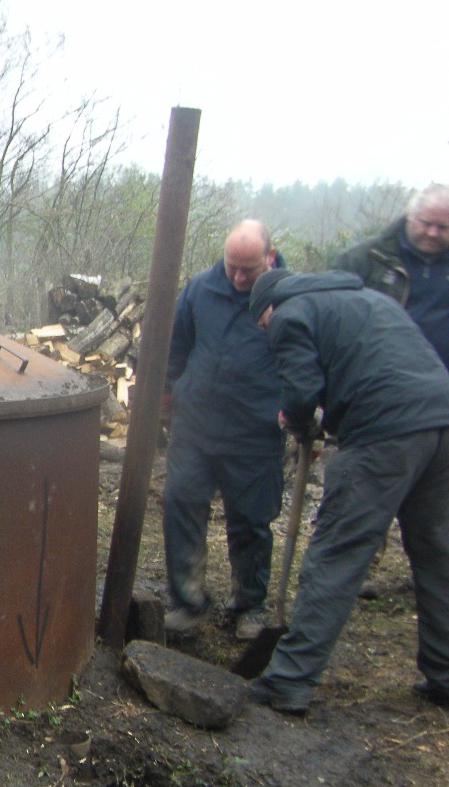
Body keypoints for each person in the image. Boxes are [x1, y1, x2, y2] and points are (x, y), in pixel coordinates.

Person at [245, 268, 449, 715]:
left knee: (338, 551)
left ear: (268, 308)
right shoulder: (370, 299)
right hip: (441, 419)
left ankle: (289, 681)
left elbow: (301, 391)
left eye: (262, 325)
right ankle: (444, 673)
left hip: (385, 432)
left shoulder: (288, 314)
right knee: (437, 552)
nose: (268, 332)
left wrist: (299, 424)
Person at [162, 219, 286, 641]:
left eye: (248, 270)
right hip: (195, 425)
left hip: (255, 432)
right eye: (231, 265)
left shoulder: (288, 299)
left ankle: (249, 604)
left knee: (251, 521)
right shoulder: (200, 289)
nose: (237, 277)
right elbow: (176, 346)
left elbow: (303, 360)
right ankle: (188, 600)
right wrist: (169, 393)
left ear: (270, 258)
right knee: (180, 501)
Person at [333, 184, 449, 368]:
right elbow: (332, 321)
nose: (432, 233)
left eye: (443, 227)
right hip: (382, 378)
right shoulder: (364, 260)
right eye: (426, 224)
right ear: (410, 216)